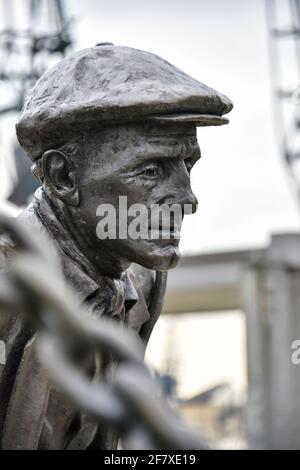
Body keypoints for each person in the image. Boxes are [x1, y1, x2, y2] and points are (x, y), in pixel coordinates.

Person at [0, 44, 232, 449]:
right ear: (64, 176)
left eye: (187, 166)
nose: (188, 200)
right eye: (151, 170)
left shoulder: (142, 278)